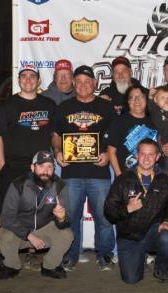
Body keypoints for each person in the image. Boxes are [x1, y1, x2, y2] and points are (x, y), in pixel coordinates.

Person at [0, 64, 56, 274]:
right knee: (4, 212)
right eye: (24, 76)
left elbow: (55, 134)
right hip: (13, 167)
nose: (28, 80)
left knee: (35, 212)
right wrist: (2, 166)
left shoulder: (48, 104)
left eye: (32, 77)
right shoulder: (8, 105)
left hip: (38, 169)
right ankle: (0, 255)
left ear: (38, 81)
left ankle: (31, 253)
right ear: (19, 80)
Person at [52, 65, 116, 271]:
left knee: (104, 218)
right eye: (78, 81)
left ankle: (105, 255)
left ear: (94, 84)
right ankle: (71, 255)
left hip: (100, 174)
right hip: (71, 174)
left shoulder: (106, 108)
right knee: (71, 218)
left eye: (87, 81)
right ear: (73, 84)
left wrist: (107, 154)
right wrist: (57, 152)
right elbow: (55, 135)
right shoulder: (63, 107)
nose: (82, 85)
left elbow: (114, 137)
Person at [104, 139, 168, 284]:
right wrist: (127, 208)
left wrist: (167, 222)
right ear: (136, 155)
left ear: (158, 157)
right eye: (143, 154)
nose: (146, 158)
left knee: (167, 238)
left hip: (153, 233)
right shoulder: (123, 180)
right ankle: (139, 257)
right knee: (131, 280)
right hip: (129, 236)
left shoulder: (165, 181)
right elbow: (108, 211)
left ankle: (161, 266)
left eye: (151, 154)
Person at [0, 151, 73, 280]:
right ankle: (11, 266)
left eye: (50, 167)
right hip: (21, 230)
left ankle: (50, 266)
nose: (45, 171)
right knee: (4, 234)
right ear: (32, 167)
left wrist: (62, 217)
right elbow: (7, 217)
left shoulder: (59, 186)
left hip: (45, 229)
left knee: (67, 234)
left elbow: (67, 220)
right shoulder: (18, 184)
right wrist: (29, 235)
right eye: (41, 166)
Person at [107, 85, 158, 176]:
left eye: (140, 97)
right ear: (128, 101)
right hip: (126, 177)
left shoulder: (154, 121)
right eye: (132, 97)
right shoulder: (119, 122)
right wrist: (120, 176)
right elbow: (111, 152)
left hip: (151, 177)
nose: (137, 100)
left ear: (146, 100)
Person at [147, 85, 168, 173]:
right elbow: (150, 107)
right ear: (156, 100)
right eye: (162, 98)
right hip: (163, 138)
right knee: (166, 161)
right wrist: (150, 97)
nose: (166, 101)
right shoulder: (155, 109)